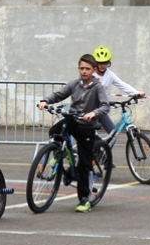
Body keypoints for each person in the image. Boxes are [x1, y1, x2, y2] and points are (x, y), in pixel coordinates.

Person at [37, 54, 109, 213]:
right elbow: (59, 95)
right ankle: (58, 153)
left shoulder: (98, 87)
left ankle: (84, 199)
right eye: (81, 68)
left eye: (88, 69)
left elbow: (105, 106)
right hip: (72, 120)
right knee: (55, 130)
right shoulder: (74, 84)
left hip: (86, 125)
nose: (84, 71)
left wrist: (94, 113)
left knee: (84, 163)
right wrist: (45, 101)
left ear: (94, 70)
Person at [91, 46, 145, 134]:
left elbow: (122, 85)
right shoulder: (91, 74)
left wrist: (137, 93)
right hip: (89, 109)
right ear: (95, 63)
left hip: (101, 109)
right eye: (100, 63)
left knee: (112, 133)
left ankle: (101, 147)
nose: (103, 65)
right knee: (89, 136)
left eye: (105, 63)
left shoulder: (110, 75)